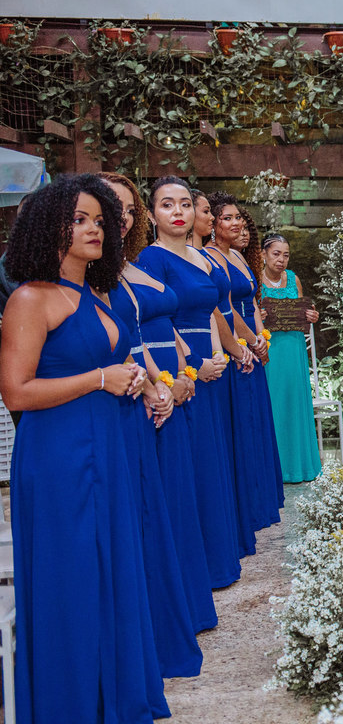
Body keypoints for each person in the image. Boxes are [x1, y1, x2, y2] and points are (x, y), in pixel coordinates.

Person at [0, 174, 168, 723]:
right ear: (50, 226)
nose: (95, 227)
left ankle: (115, 697)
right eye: (80, 219)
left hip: (107, 446)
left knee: (112, 568)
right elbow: (16, 392)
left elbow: (115, 363)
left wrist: (144, 385)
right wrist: (100, 379)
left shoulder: (95, 293)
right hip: (58, 457)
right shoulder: (31, 298)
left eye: (98, 219)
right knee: (69, 580)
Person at [101, 172, 204, 679]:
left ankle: (179, 608)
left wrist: (181, 377)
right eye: (105, 208)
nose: (116, 218)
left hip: (167, 389)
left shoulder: (127, 267)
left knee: (173, 509)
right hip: (133, 402)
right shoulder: (92, 277)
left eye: (124, 209)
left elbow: (164, 330)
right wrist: (154, 386)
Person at [137, 178, 243, 589]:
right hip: (180, 366)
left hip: (210, 363)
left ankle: (217, 558)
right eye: (167, 205)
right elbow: (153, 320)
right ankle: (195, 570)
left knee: (212, 462)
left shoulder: (201, 259)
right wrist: (195, 366)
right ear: (152, 215)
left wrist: (218, 356)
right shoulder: (152, 258)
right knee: (192, 468)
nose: (178, 211)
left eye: (185, 203)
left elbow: (215, 311)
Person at [206, 194, 283, 544]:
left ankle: (262, 499)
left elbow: (250, 301)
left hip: (253, 342)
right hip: (236, 346)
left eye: (238, 217)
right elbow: (224, 308)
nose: (236, 223)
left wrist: (262, 338)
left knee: (256, 423)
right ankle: (247, 504)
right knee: (241, 426)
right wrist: (249, 342)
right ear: (212, 224)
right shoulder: (210, 257)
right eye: (226, 218)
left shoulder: (236, 255)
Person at [261, 233, 324, 482]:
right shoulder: (255, 280)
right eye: (276, 254)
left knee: (296, 404)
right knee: (275, 405)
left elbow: (303, 314)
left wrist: (311, 316)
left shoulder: (293, 279)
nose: (281, 260)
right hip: (271, 350)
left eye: (286, 255)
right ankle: (276, 469)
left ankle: (300, 467)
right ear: (263, 254)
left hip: (294, 348)